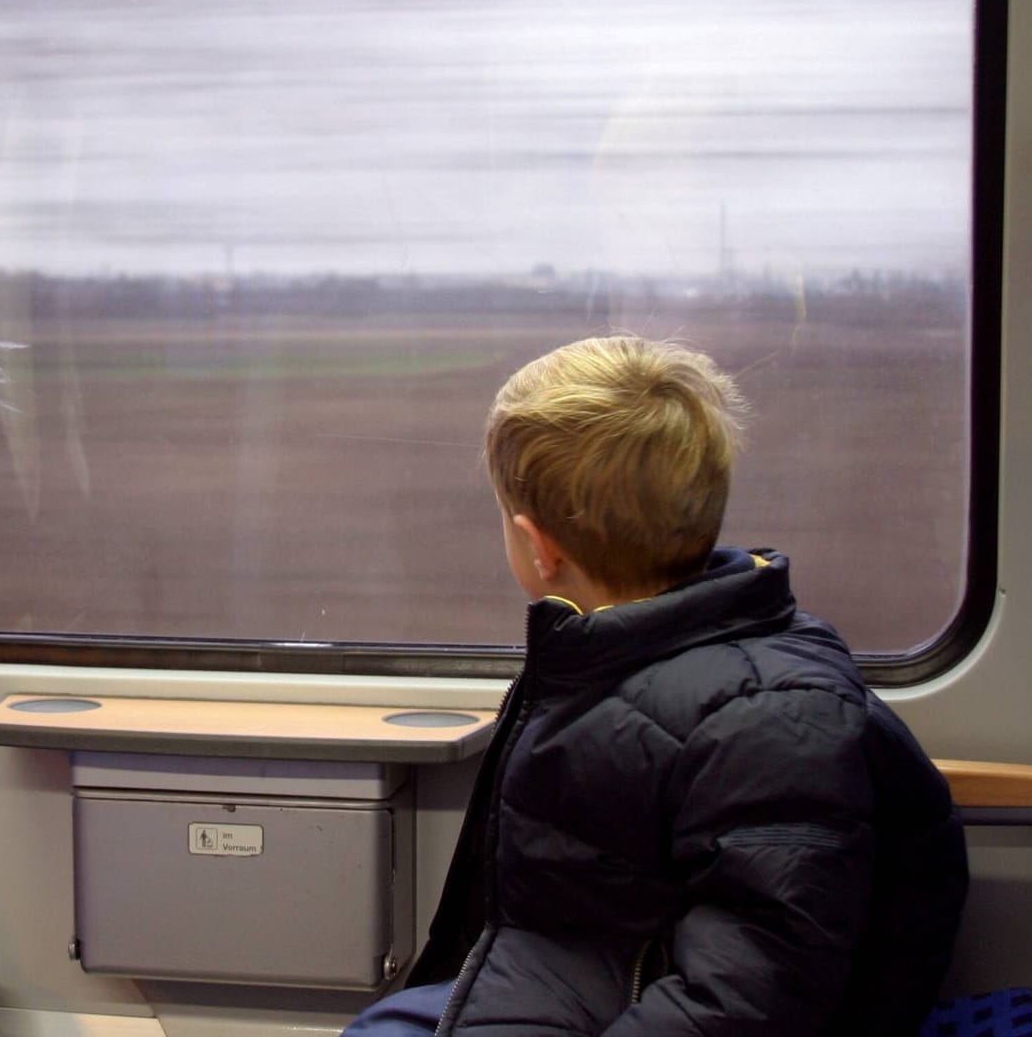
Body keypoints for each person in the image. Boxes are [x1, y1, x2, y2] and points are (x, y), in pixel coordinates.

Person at [345, 335, 967, 1036]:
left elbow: (752, 998)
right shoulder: (602, 657)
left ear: (538, 548)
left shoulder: (766, 723)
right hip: (579, 974)